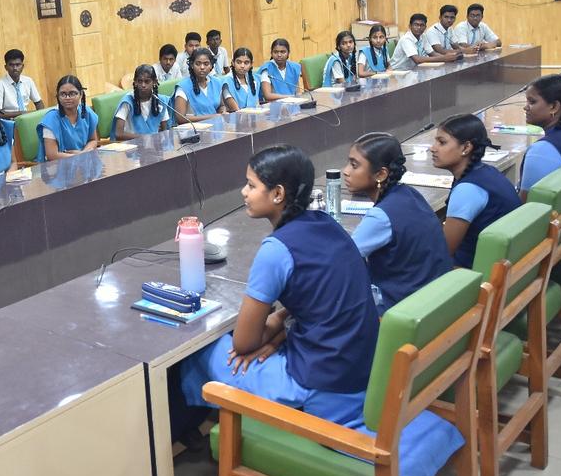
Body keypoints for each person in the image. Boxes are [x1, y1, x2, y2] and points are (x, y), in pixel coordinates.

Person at [177, 145, 379, 426]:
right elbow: (323, 304)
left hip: (318, 383)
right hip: (356, 367)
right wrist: (280, 328)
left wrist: (273, 329)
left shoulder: (276, 250)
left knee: (203, 350)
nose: (243, 193)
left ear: (278, 194)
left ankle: (190, 430)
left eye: (251, 185)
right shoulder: (328, 223)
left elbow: (244, 343)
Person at [343, 133, 452, 314]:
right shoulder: (410, 193)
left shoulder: (380, 217)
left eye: (354, 165)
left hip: (403, 310)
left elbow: (342, 260)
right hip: (434, 302)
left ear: (380, 174)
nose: (346, 171)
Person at [429, 114, 521, 267]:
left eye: (441, 142)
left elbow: (443, 253)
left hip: (475, 276)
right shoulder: (488, 172)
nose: (433, 148)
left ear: (466, 148)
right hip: (507, 268)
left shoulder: (468, 190)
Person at [37, 75, 100, 161]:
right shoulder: (50, 119)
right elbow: (52, 155)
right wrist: (80, 157)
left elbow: (93, 140)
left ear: (81, 94)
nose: (67, 98)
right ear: (58, 96)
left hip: (84, 162)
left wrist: (83, 153)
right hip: (59, 166)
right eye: (63, 94)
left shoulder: (86, 112)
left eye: (72, 94)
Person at [174, 48, 238, 121]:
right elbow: (180, 118)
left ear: (211, 66)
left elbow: (221, 105)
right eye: (198, 64)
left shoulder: (217, 83)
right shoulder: (183, 87)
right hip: (193, 129)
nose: (202, 67)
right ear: (192, 65)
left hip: (215, 127)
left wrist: (222, 111)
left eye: (206, 64)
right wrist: (212, 117)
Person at [113, 64, 172, 140]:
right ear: (135, 82)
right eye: (140, 81)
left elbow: (165, 130)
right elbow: (119, 134)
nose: (143, 85)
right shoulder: (128, 101)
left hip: (156, 147)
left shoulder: (160, 101)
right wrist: (145, 138)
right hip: (134, 147)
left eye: (147, 81)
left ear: (154, 82)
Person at [390, 13, 462, 70]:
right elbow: (417, 59)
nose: (419, 28)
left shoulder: (423, 36)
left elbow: (432, 53)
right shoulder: (406, 39)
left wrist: (448, 58)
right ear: (410, 26)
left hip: (414, 70)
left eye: (422, 25)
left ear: (425, 27)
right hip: (398, 72)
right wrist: (443, 58)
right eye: (416, 25)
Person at [0, 49, 45, 119]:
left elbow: (39, 103)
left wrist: (39, 115)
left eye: (18, 65)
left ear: (22, 66)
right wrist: (23, 113)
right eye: (11, 65)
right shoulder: (0, 85)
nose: (15, 68)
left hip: (27, 120)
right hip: (9, 122)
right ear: (6, 67)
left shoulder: (28, 81)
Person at [258, 38, 303, 102]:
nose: (279, 55)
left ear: (288, 53)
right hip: (273, 106)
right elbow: (267, 96)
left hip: (293, 104)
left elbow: (297, 92)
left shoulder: (294, 67)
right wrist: (290, 97)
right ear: (271, 53)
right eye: (275, 52)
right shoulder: (267, 69)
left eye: (282, 52)